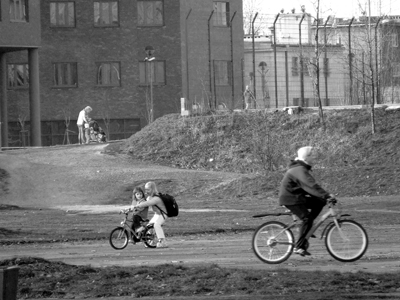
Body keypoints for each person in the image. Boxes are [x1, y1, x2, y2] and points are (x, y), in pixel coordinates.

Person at [278, 146, 335, 256]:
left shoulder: (300, 168)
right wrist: (327, 195)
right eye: (312, 155)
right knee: (307, 218)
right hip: (290, 198)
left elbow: (309, 187)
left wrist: (324, 197)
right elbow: (312, 186)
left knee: (319, 202)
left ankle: (307, 229)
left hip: (297, 196)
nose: (314, 157)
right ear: (306, 157)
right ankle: (298, 246)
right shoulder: (298, 169)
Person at [134, 181, 168, 248]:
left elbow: (147, 203)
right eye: (145, 189)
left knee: (156, 225)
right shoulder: (150, 197)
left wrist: (137, 206)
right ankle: (150, 241)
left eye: (148, 189)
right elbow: (145, 203)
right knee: (149, 226)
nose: (146, 191)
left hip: (163, 214)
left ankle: (162, 242)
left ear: (152, 189)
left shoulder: (156, 198)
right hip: (157, 214)